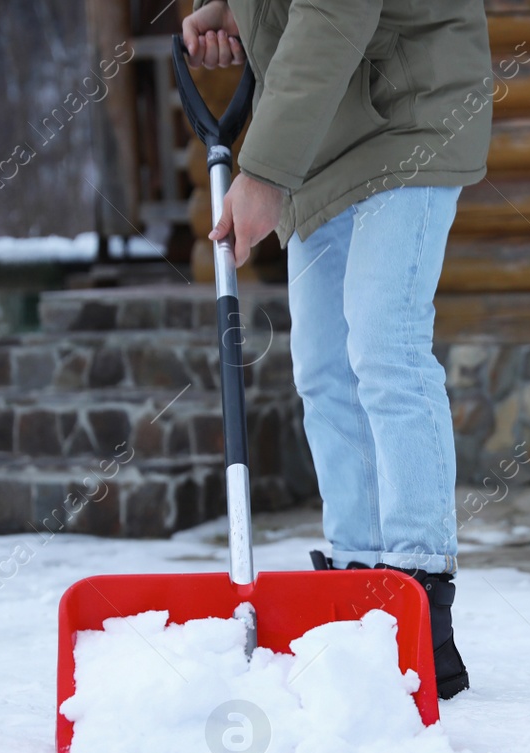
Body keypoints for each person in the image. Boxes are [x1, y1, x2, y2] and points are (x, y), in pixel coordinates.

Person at [182, 0, 492, 699]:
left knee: (386, 344)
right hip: (324, 138)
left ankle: (418, 599)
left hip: (402, 109)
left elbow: (334, 11)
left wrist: (261, 170)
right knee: (322, 368)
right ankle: (356, 588)